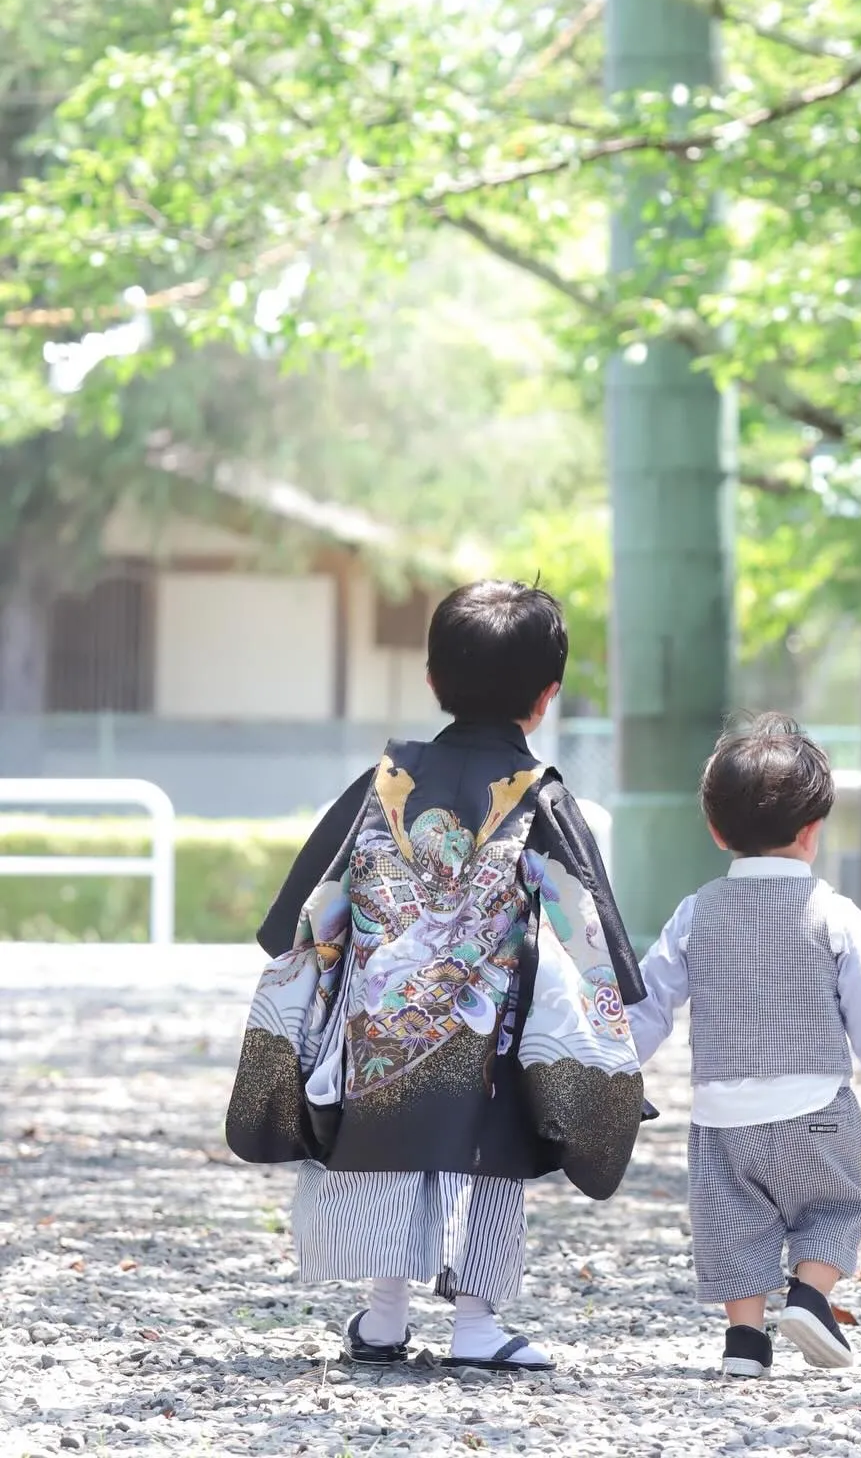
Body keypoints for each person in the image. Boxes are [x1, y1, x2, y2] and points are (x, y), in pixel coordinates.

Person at [227, 581, 647, 1373]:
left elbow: (302, 908)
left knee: (386, 1152)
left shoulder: (388, 780)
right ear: (548, 695)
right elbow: (592, 933)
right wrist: (617, 1002)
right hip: (491, 1034)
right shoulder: (538, 795)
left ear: (431, 681)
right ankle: (476, 1326)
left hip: (380, 1026)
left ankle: (384, 1318)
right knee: (489, 1166)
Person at [629, 713, 861, 1378]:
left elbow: (649, 1003)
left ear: (716, 829)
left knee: (731, 1227)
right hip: (815, 1107)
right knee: (836, 1207)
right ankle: (811, 1298)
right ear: (813, 830)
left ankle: (745, 1344)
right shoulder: (835, 914)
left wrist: (611, 1073)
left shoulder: (696, 912)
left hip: (722, 1116)